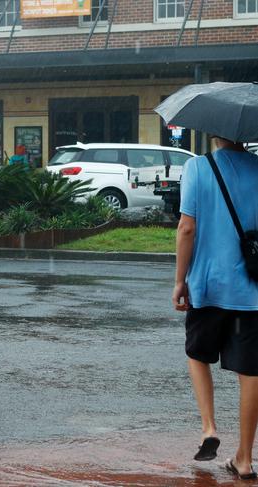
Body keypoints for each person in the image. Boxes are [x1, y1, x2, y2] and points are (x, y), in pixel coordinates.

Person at [173, 136, 258, 480]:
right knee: (250, 372)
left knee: (197, 354)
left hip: (207, 286)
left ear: (214, 131)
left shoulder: (197, 167)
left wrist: (180, 280)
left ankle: (209, 428)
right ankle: (245, 459)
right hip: (252, 290)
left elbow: (187, 227)